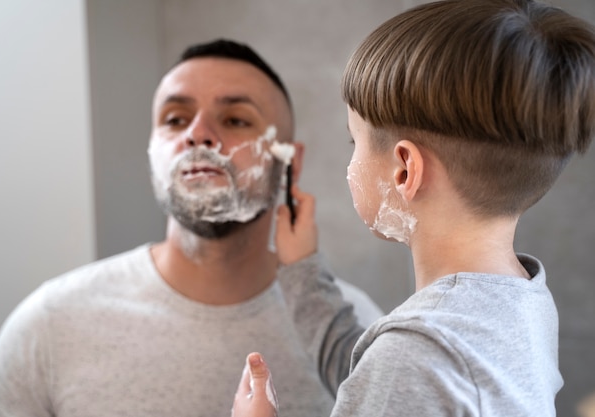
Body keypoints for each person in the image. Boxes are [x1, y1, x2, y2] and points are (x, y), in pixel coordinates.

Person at [0, 39, 383, 417]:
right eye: (175, 119)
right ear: (153, 150)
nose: (198, 134)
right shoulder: (47, 326)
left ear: (288, 164)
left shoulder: (354, 334)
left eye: (236, 119)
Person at [232, 0, 595, 416]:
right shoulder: (521, 301)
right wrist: (302, 272)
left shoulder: (412, 357)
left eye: (356, 143)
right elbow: (374, 374)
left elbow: (397, 370)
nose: (350, 160)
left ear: (405, 170)